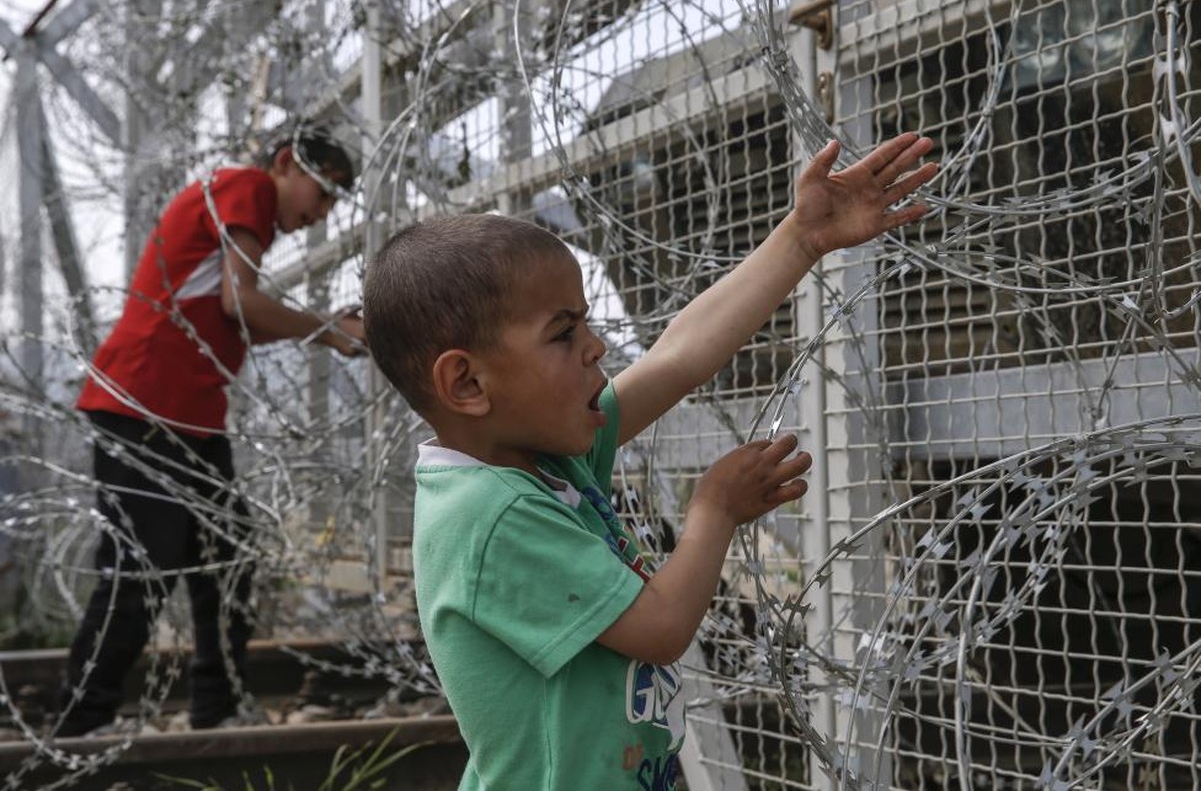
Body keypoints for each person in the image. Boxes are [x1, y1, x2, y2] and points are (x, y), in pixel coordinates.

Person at [361, 132, 936, 789]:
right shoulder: (489, 514)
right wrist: (715, 509)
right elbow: (660, 627)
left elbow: (676, 357)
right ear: (467, 384)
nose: (596, 346)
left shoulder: (540, 462)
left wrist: (800, 239)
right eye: (563, 332)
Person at [57, 126, 367, 737]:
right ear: (285, 164)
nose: (322, 214)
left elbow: (229, 305)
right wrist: (327, 329)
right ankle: (79, 722)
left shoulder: (237, 207)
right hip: (144, 405)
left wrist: (321, 324)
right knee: (145, 564)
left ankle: (216, 709)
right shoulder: (245, 186)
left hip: (185, 414)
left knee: (226, 557)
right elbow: (239, 302)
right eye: (324, 192)